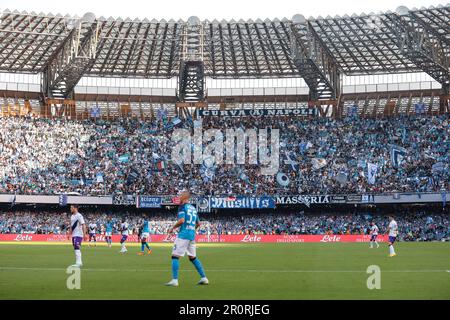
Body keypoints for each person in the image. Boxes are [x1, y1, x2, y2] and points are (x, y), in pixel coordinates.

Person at [166, 190, 209, 287]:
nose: (179, 197)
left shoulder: (182, 207)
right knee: (192, 257)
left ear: (185, 197)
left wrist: (172, 228)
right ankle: (204, 278)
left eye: (181, 195)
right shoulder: (193, 208)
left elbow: (181, 220)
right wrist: (192, 230)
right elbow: (198, 223)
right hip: (191, 235)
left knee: (175, 256)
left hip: (183, 234)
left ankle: (175, 280)